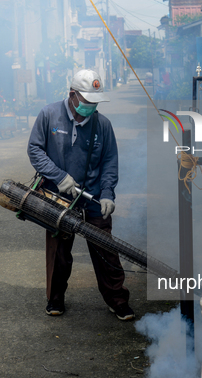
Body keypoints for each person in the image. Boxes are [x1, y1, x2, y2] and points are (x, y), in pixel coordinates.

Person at [27, 69, 134, 321]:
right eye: (87, 101)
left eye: (95, 102)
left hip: (93, 198)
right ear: (72, 95)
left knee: (106, 251)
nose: (91, 106)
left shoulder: (103, 125)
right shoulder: (49, 115)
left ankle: (117, 300)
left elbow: (109, 161)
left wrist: (107, 194)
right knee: (59, 252)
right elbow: (35, 150)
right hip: (58, 198)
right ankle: (55, 299)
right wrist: (59, 176)